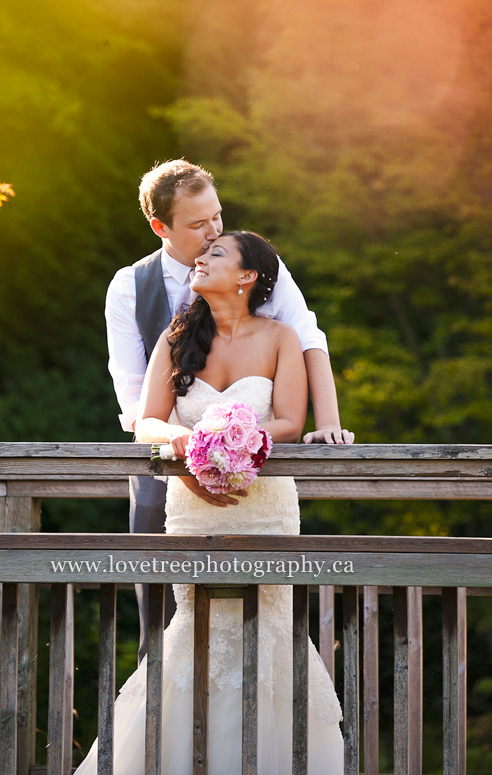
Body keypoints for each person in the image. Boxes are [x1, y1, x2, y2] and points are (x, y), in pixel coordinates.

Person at [77, 231, 343, 775]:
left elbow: (290, 423)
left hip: (262, 502)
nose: (201, 257)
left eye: (217, 253)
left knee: (273, 626)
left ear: (248, 277)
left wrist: (239, 445)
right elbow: (146, 419)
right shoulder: (177, 337)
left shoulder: (280, 337)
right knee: (194, 627)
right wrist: (185, 445)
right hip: (192, 502)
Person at [105, 159, 353, 662]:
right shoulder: (130, 287)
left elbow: (308, 339)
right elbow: (135, 403)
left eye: (217, 216)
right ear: (161, 227)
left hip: (255, 476)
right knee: (162, 617)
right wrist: (186, 465)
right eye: (198, 225)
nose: (213, 230)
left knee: (266, 628)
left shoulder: (256, 265)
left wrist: (328, 424)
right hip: (163, 464)